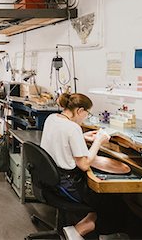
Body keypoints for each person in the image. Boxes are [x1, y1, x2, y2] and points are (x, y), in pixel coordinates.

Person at [40, 93, 110, 239]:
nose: (86, 117)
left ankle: (82, 225)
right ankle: (78, 230)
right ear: (79, 110)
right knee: (109, 199)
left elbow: (60, 138)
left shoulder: (52, 118)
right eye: (87, 113)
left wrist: (82, 137)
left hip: (48, 181)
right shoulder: (73, 128)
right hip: (66, 184)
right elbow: (84, 165)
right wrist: (98, 141)